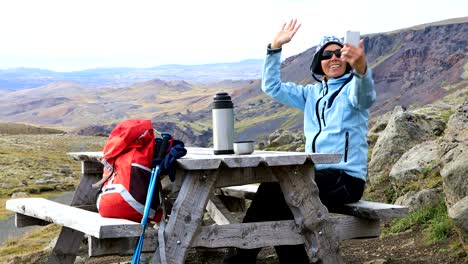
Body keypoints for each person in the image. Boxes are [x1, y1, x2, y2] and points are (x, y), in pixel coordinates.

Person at [223, 19, 376, 263]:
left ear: (347, 59)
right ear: (319, 62)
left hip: (345, 179)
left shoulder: (351, 91)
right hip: (312, 176)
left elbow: (365, 96)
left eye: (339, 53)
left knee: (279, 199)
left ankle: (238, 259)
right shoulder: (311, 94)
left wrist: (361, 68)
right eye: (327, 55)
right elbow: (272, 87)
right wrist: (274, 47)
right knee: (273, 192)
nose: (334, 58)